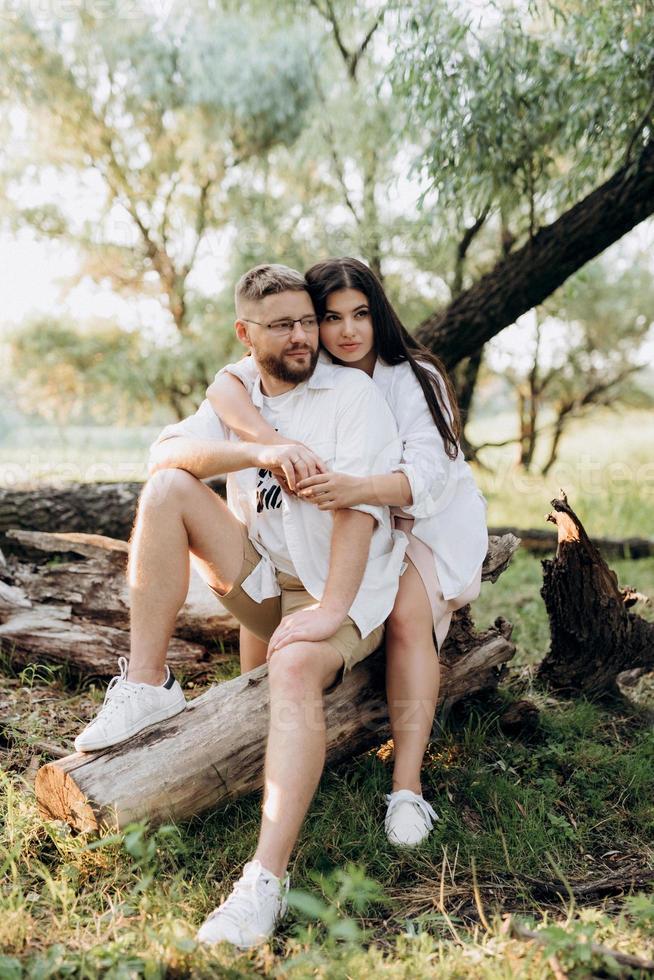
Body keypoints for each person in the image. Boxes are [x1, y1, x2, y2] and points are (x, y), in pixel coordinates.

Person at [74, 263, 408, 949]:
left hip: (343, 594)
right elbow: (165, 450)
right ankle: (147, 687)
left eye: (307, 321)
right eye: (283, 325)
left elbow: (360, 513)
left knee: (291, 671)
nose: (302, 336)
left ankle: (263, 880)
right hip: (268, 581)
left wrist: (330, 609)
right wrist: (261, 445)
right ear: (244, 333)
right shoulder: (241, 391)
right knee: (168, 489)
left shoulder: (352, 396)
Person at [206, 256, 488, 850]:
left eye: (360, 314)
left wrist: (355, 488)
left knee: (407, 613)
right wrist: (268, 441)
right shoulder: (311, 362)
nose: (347, 331)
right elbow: (226, 385)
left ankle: (407, 787)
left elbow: (427, 477)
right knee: (277, 576)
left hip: (426, 520)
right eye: (330, 317)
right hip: (354, 521)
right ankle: (256, 735)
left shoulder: (412, 376)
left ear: (378, 314)